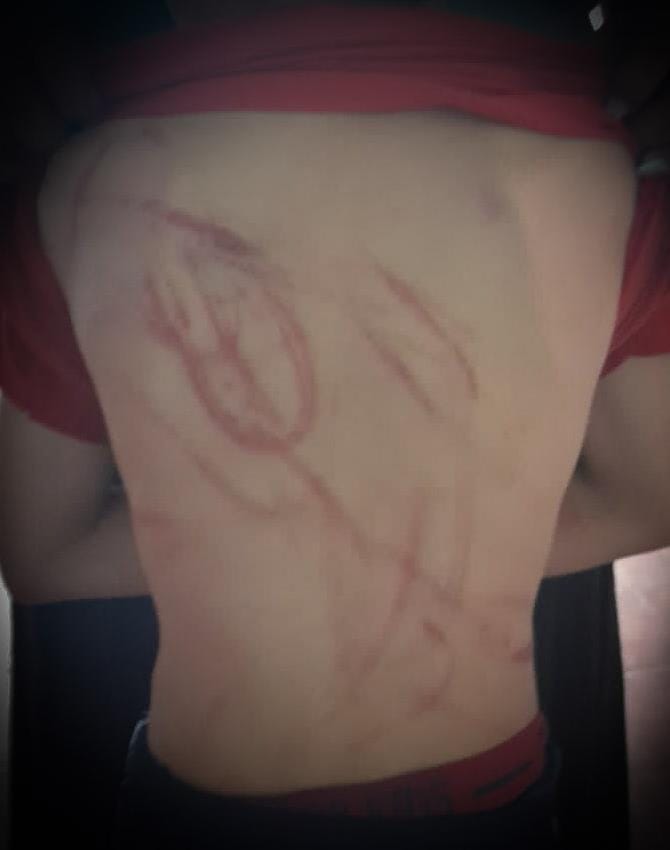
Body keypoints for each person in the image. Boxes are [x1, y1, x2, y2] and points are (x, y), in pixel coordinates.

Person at [1, 1, 668, 847]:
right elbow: (650, 497)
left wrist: (264, 538)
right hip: (490, 796)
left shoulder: (79, 185)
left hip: (206, 805)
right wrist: (421, 545)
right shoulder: (596, 180)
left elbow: (41, 554)